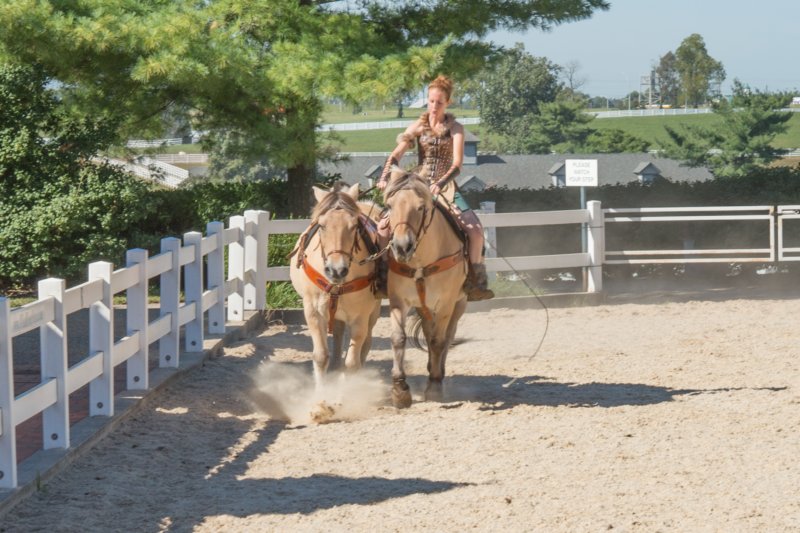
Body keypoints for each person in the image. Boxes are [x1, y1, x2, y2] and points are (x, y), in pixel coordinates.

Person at [376, 74, 494, 301]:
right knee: (382, 227)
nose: (433, 106)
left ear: (447, 103)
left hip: (446, 185)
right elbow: (396, 153)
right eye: (431, 101)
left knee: (475, 230)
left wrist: (440, 184)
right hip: (418, 184)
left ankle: (475, 281)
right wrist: (385, 176)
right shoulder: (418, 126)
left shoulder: (456, 129)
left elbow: (458, 163)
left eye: (439, 102)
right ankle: (382, 276)